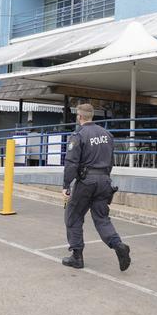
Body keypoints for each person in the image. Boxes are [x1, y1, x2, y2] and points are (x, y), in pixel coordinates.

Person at [61, 103, 131, 271]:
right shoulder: (107, 134)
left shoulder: (78, 134)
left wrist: (66, 185)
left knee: (73, 216)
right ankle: (118, 245)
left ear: (79, 117)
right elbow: (111, 160)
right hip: (104, 181)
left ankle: (77, 257)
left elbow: (71, 162)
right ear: (92, 116)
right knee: (101, 218)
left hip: (86, 182)